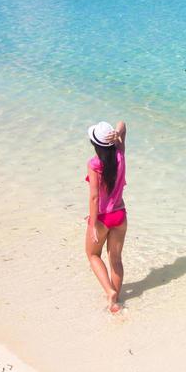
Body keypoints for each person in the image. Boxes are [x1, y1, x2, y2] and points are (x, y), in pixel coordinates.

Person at [85, 119, 129, 312]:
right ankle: (115, 303)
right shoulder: (120, 153)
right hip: (120, 215)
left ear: (94, 145)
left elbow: (94, 197)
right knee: (116, 259)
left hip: (103, 218)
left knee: (93, 254)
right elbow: (123, 123)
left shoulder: (94, 164)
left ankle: (109, 291)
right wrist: (117, 133)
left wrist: (93, 224)